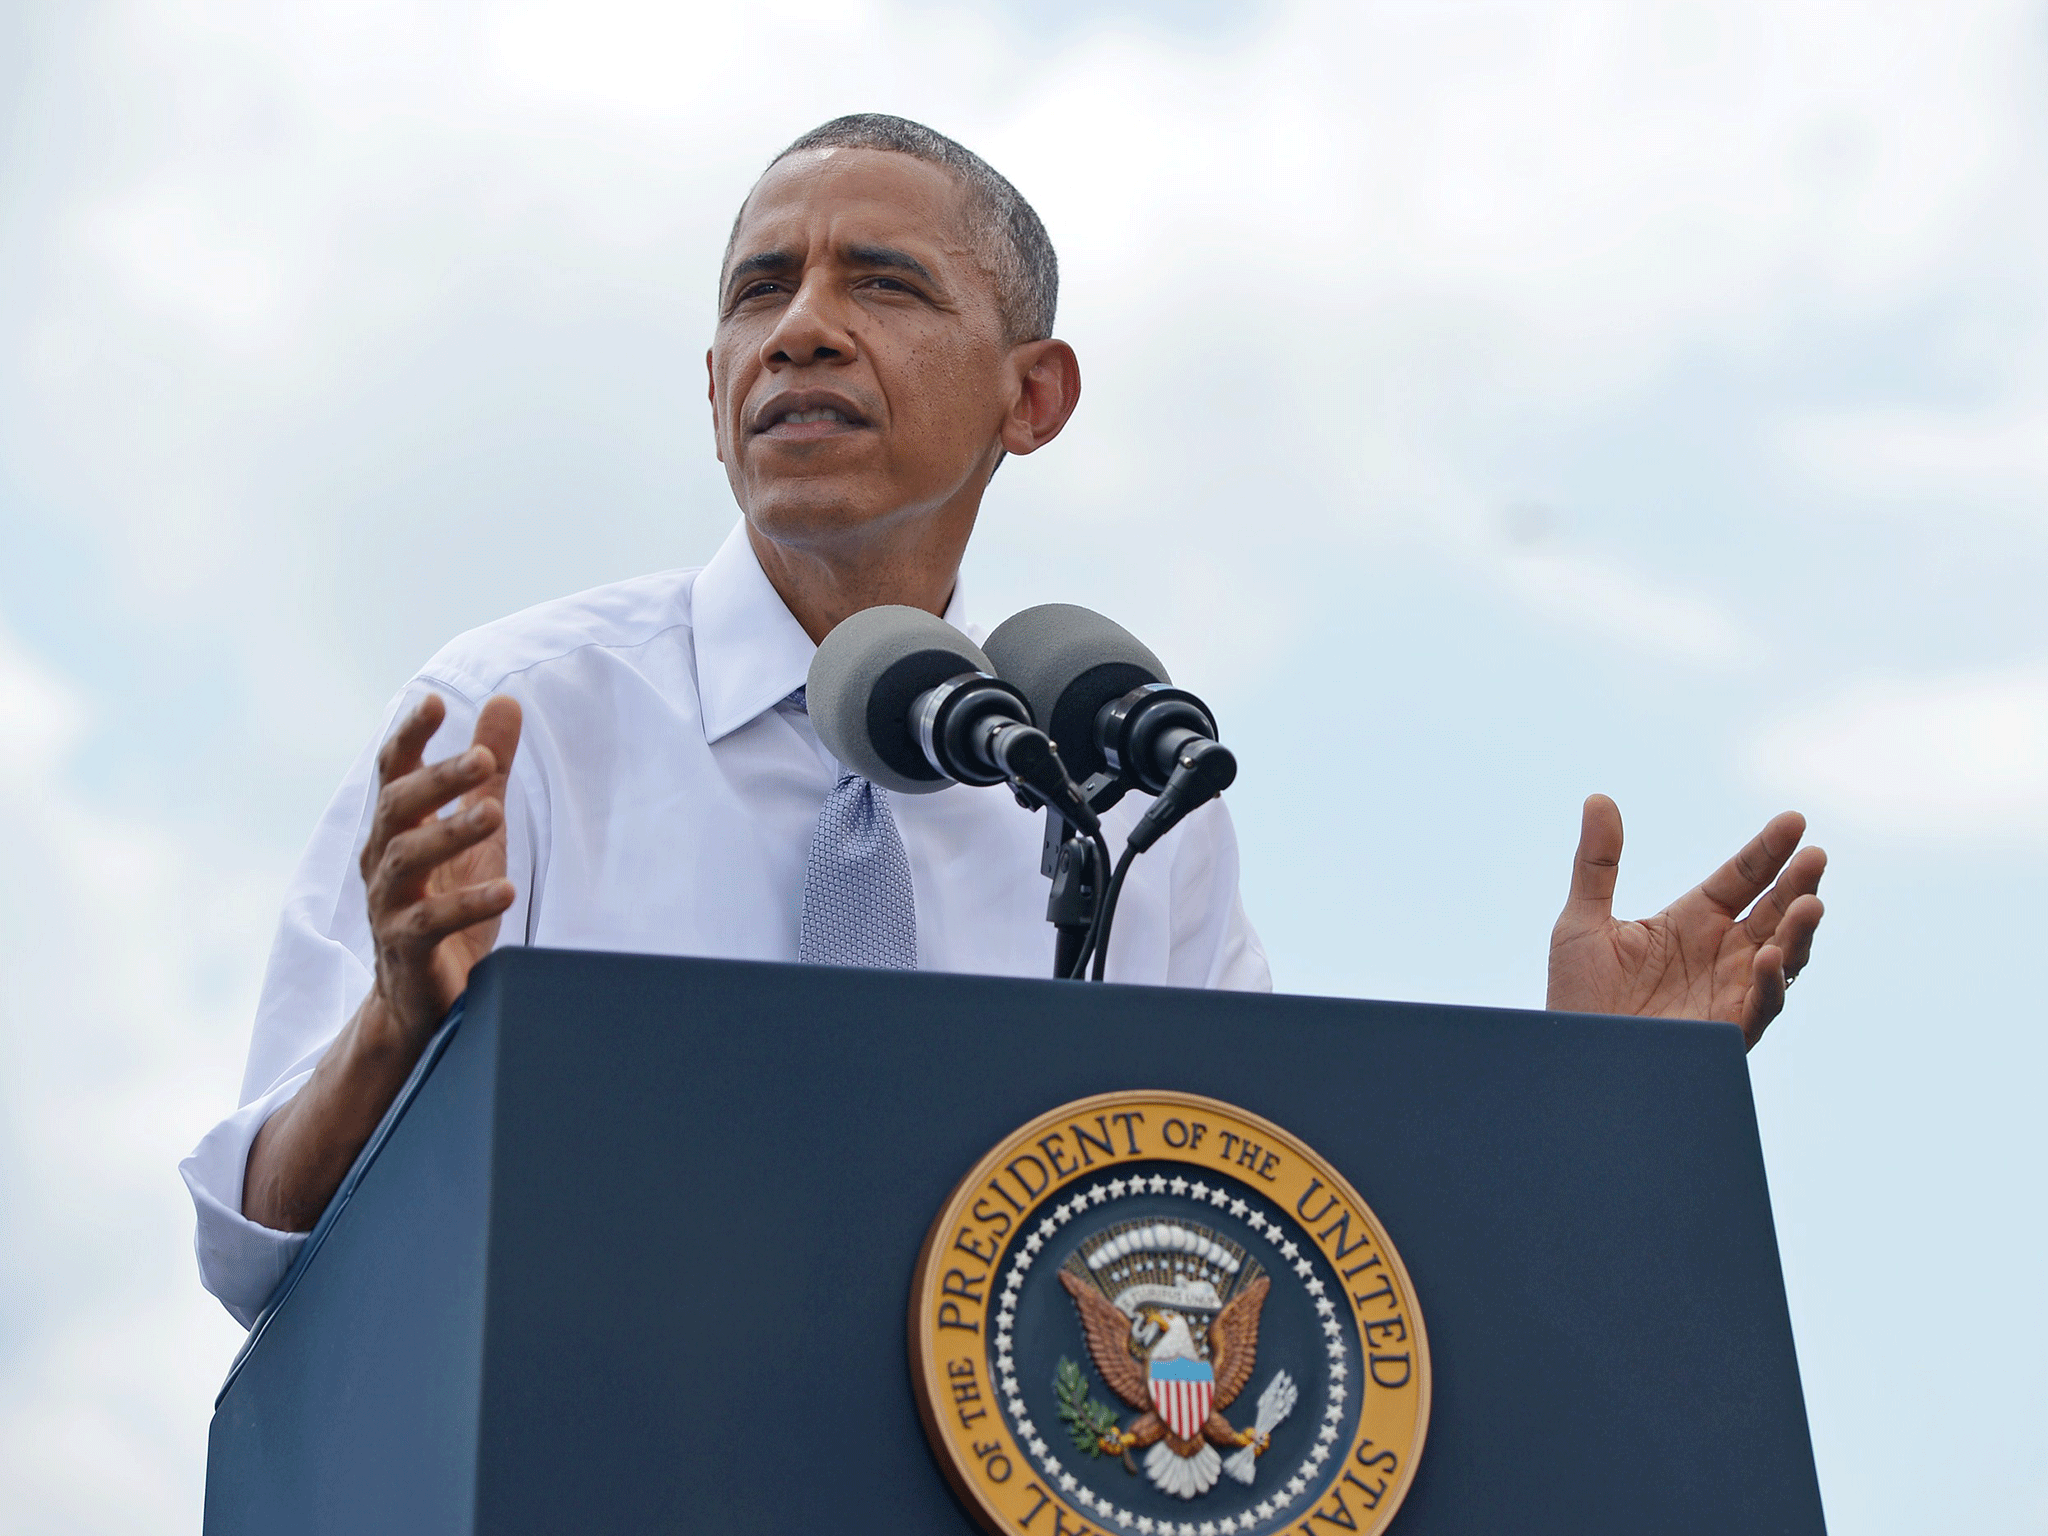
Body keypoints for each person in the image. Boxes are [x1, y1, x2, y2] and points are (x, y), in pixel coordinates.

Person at [181, 115, 1826, 1326]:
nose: (801, 328)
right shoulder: (517, 719)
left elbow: (1263, 1240)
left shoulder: (1120, 794)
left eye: (879, 283)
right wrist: (396, 1022)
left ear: (1032, 398)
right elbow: (251, 1246)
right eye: (762, 292)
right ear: (710, 388)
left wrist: (1594, 1096)